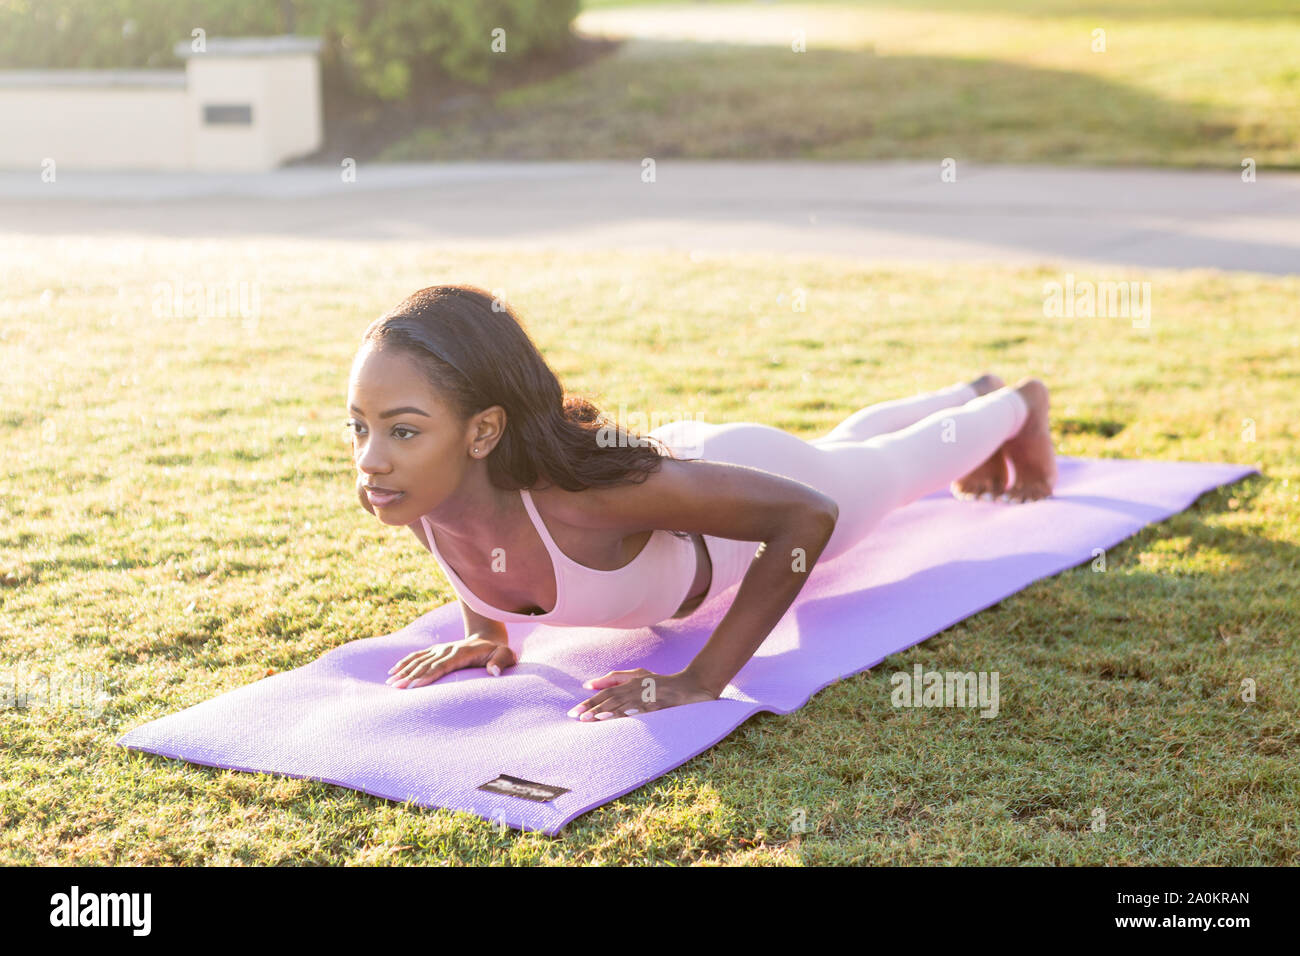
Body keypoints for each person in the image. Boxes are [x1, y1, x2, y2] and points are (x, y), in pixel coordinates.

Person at [348, 284, 1056, 722]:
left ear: (483, 432)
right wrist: (489, 634)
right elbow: (475, 537)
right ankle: (966, 390)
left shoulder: (582, 502)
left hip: (731, 478)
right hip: (676, 469)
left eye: (402, 429)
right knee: (845, 448)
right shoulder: (416, 492)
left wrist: (698, 681)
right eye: (360, 427)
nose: (370, 458)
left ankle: (1020, 404)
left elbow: (804, 517)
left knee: (888, 472)